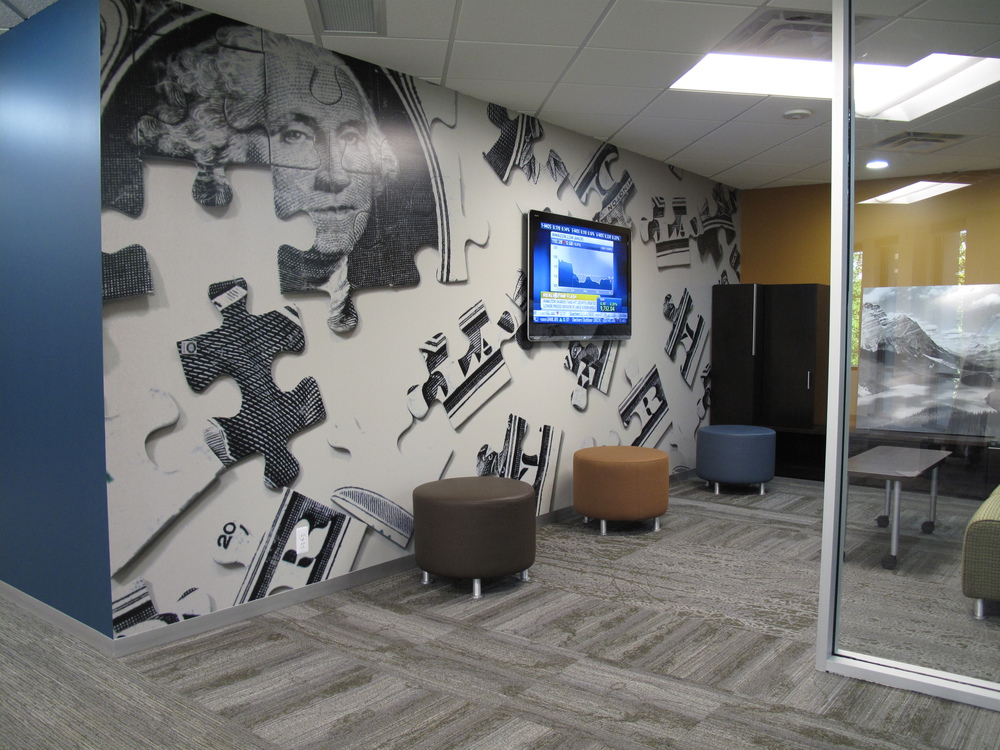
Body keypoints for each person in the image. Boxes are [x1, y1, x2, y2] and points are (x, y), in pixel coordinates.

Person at [136, 28, 402, 332]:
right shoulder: (194, 303)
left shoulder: (385, 291)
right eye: (296, 135)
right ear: (221, 151)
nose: (335, 176)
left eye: (351, 137)